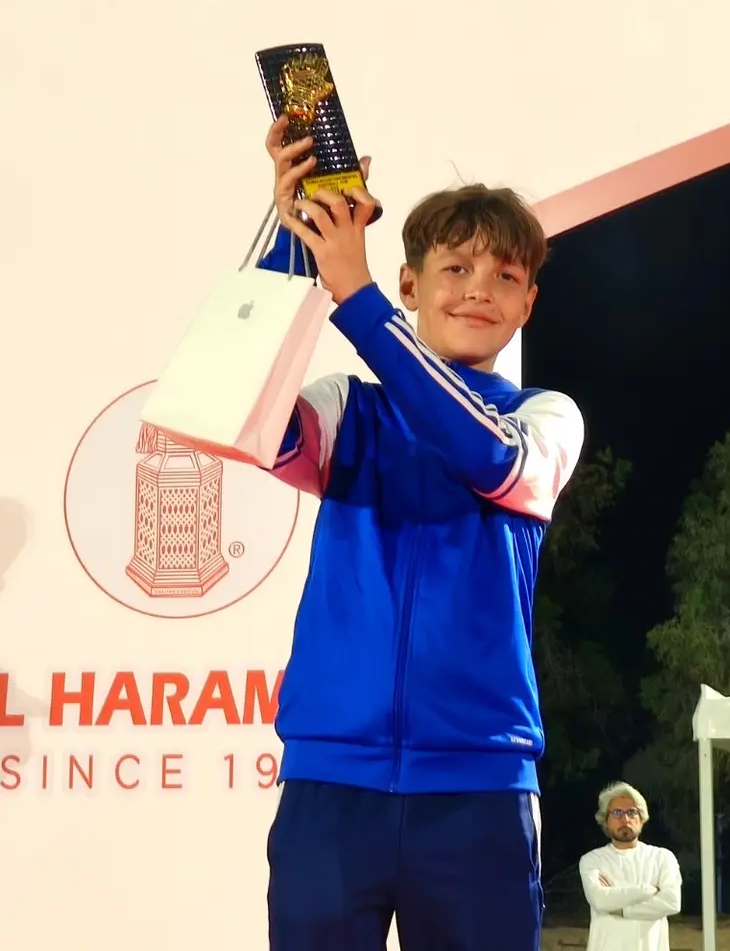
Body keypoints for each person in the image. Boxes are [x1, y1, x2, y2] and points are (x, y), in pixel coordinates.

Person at [256, 117, 585, 951]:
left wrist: (358, 301)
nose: (479, 290)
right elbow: (241, 416)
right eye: (456, 268)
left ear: (528, 303)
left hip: (479, 790)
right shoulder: (348, 409)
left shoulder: (546, 418)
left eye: (505, 275)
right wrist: (292, 238)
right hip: (332, 785)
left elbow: (487, 458)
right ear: (410, 283)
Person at [577, 781, 682, 951]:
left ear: (642, 819)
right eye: (617, 813)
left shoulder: (662, 857)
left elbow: (672, 902)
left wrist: (621, 910)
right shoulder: (593, 860)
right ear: (605, 820)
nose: (625, 819)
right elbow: (600, 900)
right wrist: (647, 890)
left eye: (632, 812)